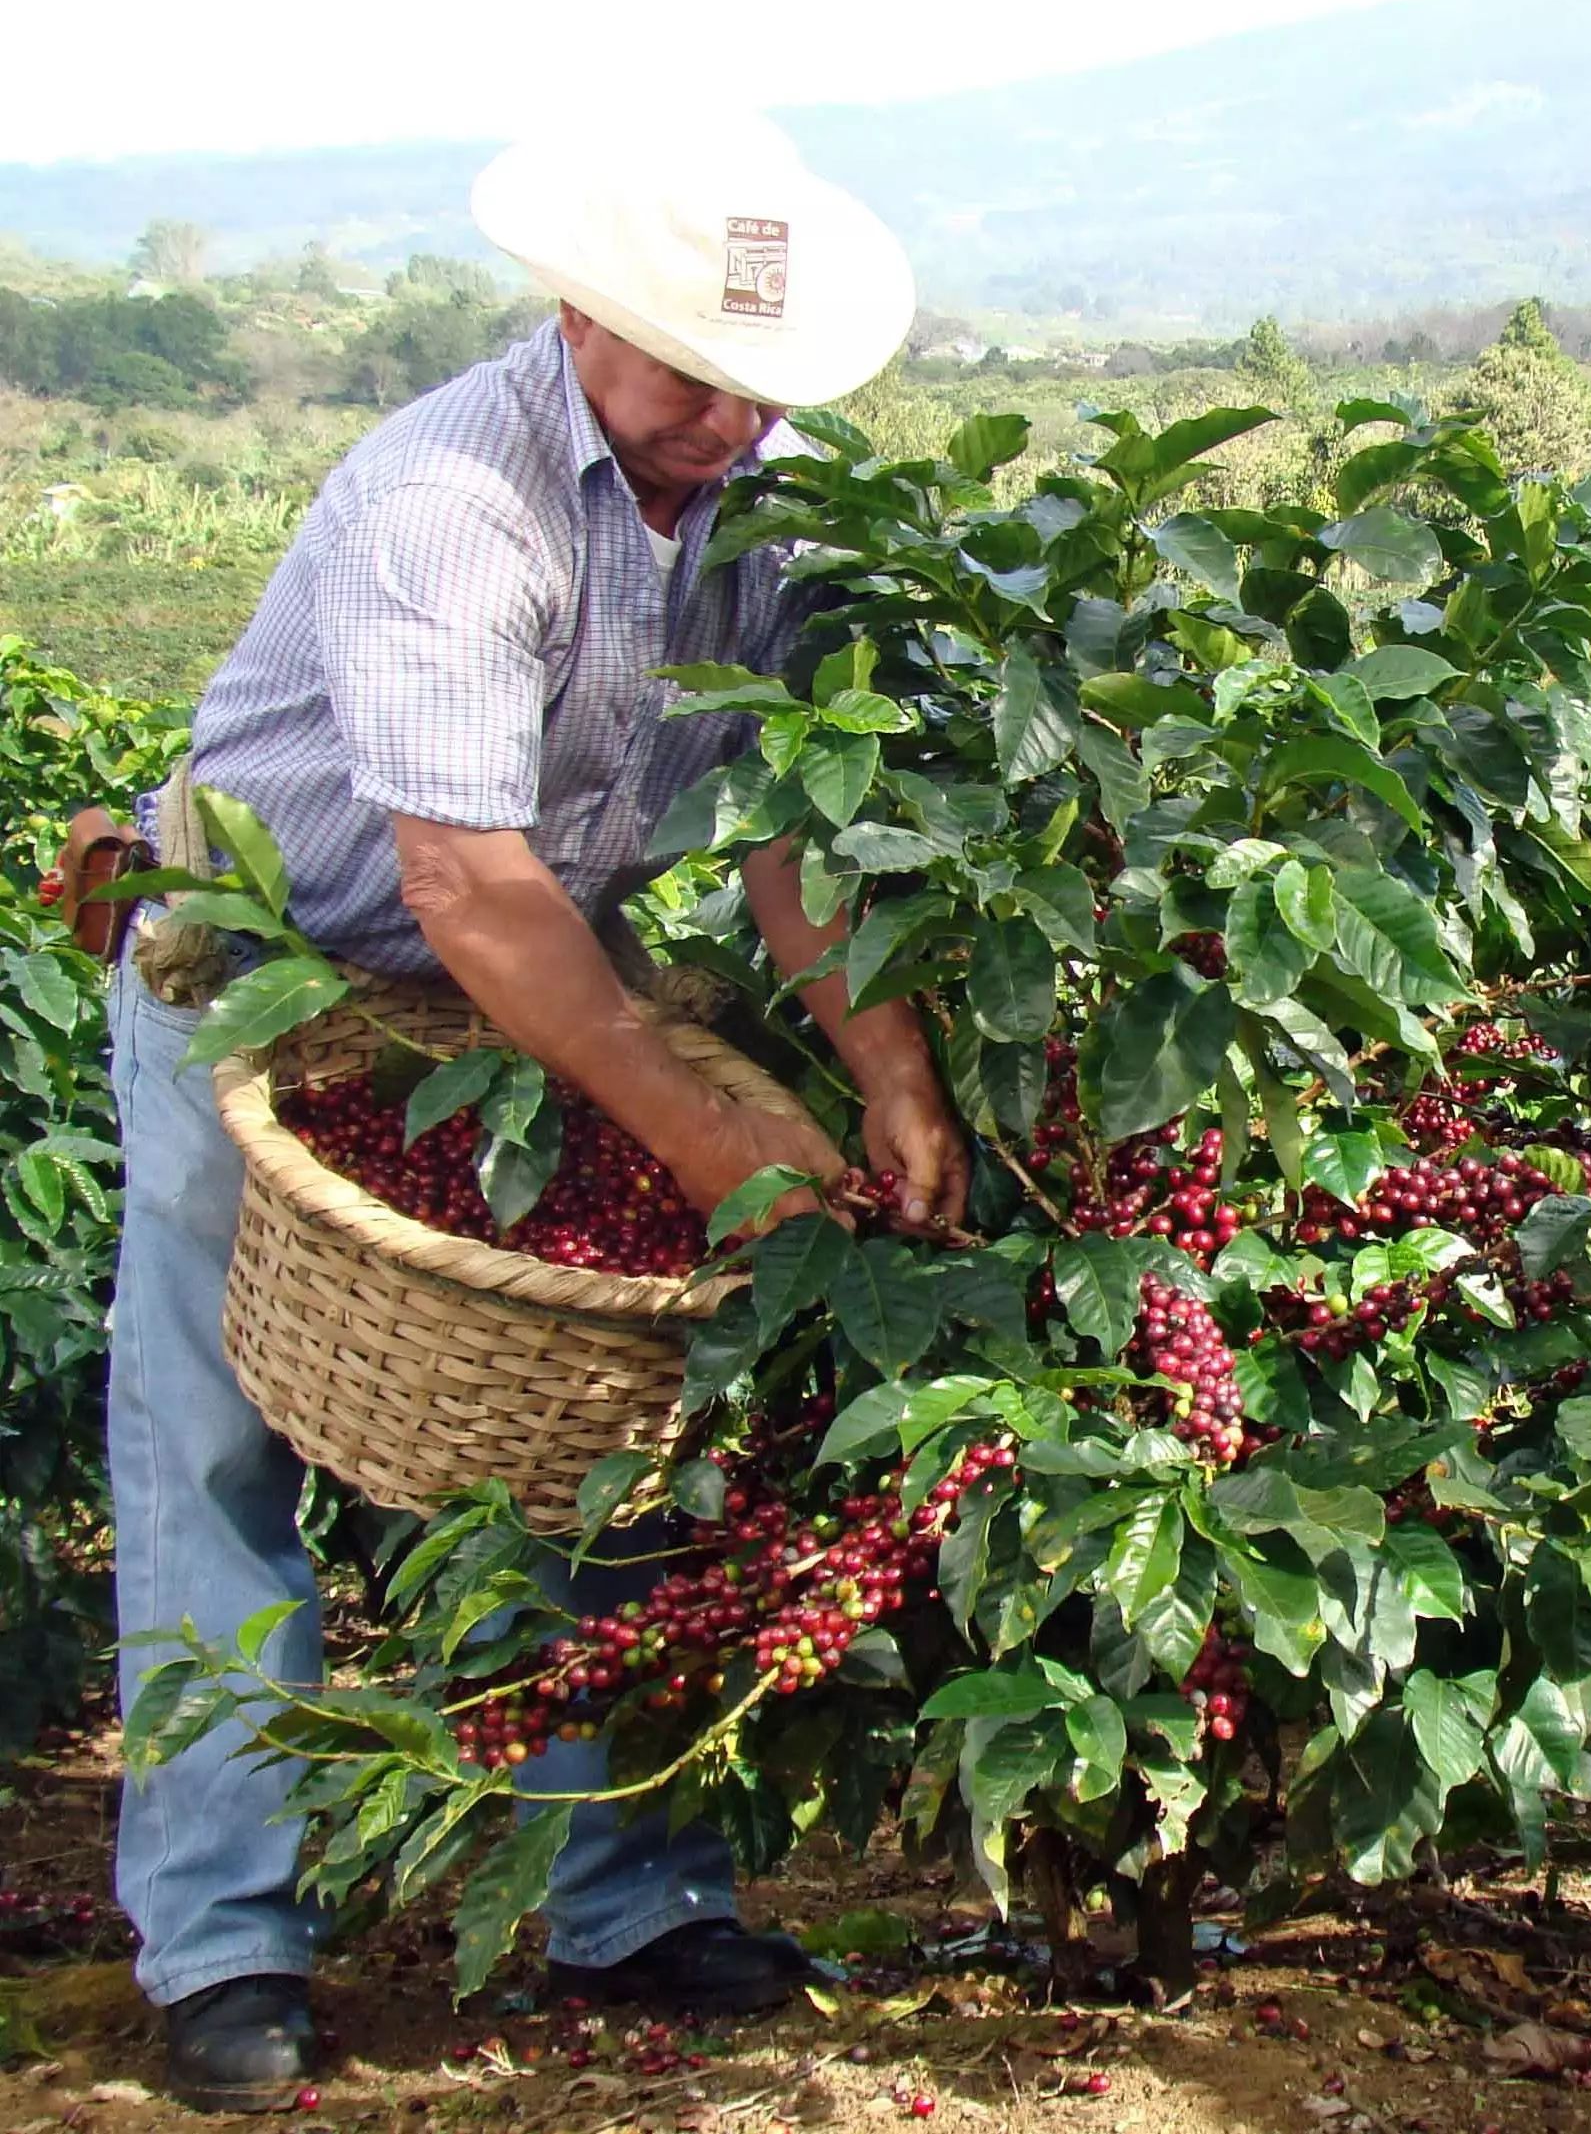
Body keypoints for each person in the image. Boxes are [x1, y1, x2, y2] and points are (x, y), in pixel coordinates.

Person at [105, 120, 969, 2113]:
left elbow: (783, 813)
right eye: (685, 374)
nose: (724, 420)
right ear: (577, 315)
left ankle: (635, 1902)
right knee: (215, 1454)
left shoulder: (768, 486)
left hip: (529, 1005)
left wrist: (885, 1064)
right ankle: (223, 1945)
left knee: (612, 1424)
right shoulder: (445, 499)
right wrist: (701, 1138)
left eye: (759, 386)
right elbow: (465, 889)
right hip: (265, 985)